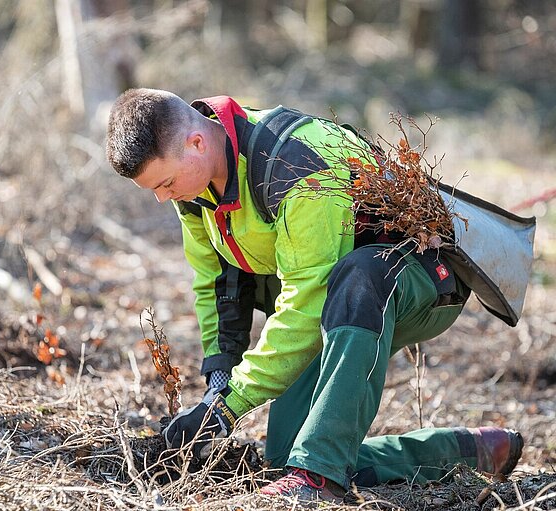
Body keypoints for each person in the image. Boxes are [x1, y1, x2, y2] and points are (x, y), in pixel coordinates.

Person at [105, 88, 524, 503]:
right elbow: (216, 282)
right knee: (289, 453)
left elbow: (307, 304)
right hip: (334, 297)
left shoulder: (294, 167)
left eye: (165, 183)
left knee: (358, 277)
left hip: (417, 279)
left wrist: (228, 407)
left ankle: (318, 481)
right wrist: (218, 383)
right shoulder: (194, 190)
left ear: (196, 143)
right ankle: (468, 451)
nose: (163, 197)